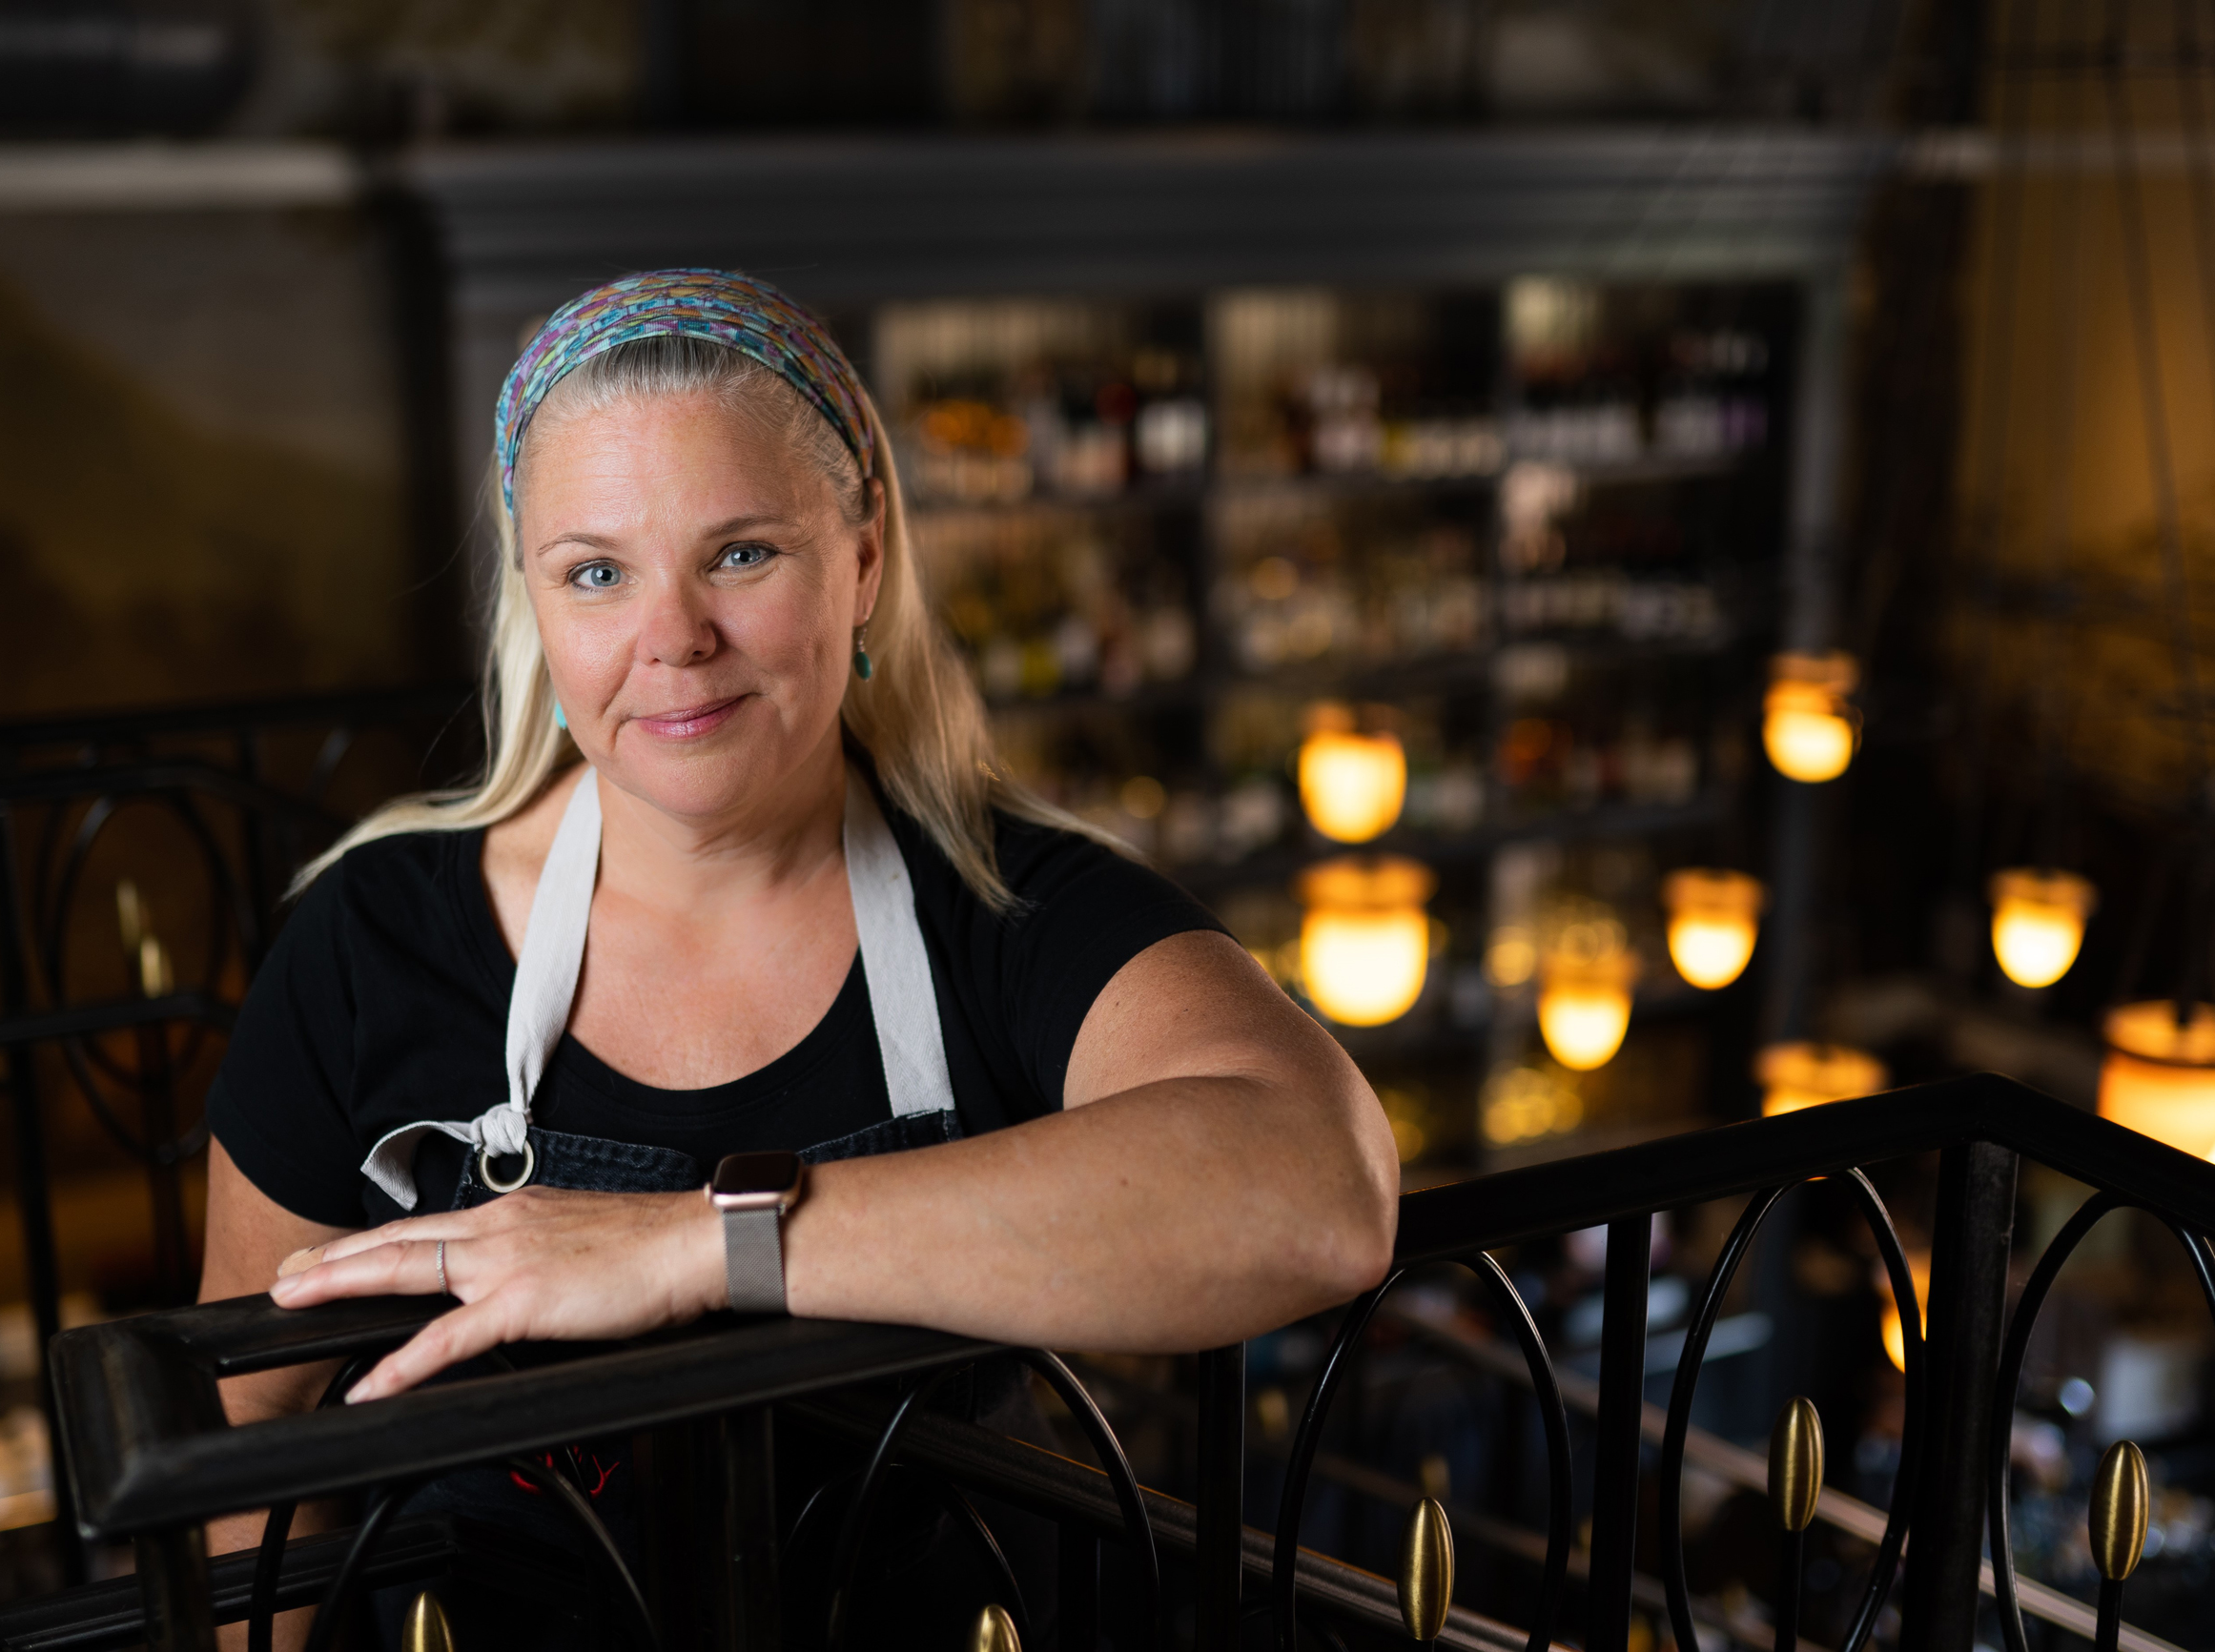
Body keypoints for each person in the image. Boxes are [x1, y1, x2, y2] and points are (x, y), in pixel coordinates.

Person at [198, 268, 1401, 1646]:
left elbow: (1321, 1185)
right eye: (597, 573)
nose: (674, 640)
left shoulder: (1008, 908)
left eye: (740, 554)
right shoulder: (372, 942)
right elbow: (251, 1441)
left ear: (864, 558)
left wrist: (701, 1245)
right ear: (535, 598)